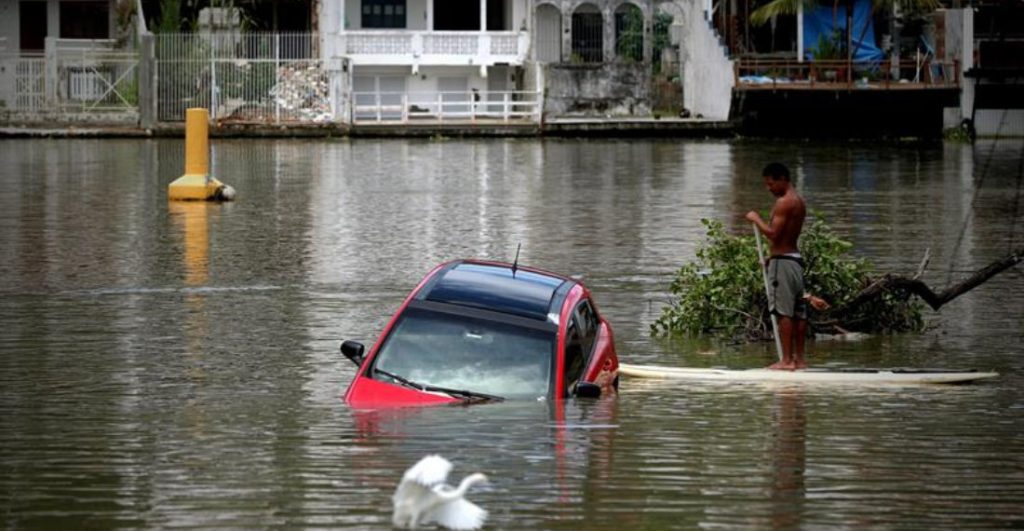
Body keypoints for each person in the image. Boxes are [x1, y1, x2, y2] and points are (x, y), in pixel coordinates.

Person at [746, 163, 828, 370]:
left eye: (771, 183)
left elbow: (773, 234)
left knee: (783, 312)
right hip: (793, 260)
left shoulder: (784, 202)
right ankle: (799, 360)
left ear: (782, 179)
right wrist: (771, 257)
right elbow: (785, 237)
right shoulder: (798, 201)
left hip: (783, 264)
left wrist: (756, 219)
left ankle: (786, 361)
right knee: (799, 311)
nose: (769, 188)